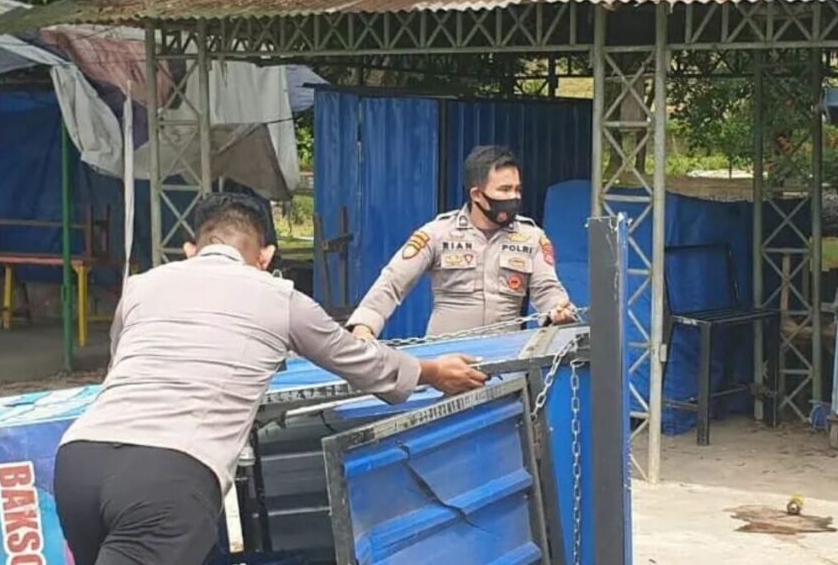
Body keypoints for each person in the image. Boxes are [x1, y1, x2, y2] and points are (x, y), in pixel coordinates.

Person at [52, 192, 486, 565]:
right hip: (167, 476)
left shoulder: (141, 286)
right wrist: (431, 371)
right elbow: (359, 360)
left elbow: (120, 367)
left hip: (78, 462)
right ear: (266, 257)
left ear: (191, 249)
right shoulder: (278, 297)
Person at [348, 145, 576, 340]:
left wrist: (558, 309)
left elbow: (547, 289)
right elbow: (392, 282)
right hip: (444, 363)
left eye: (517, 189)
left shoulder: (532, 237)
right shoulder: (437, 233)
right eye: (504, 189)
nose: (513, 197)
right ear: (477, 194)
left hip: (508, 362)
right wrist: (364, 326)